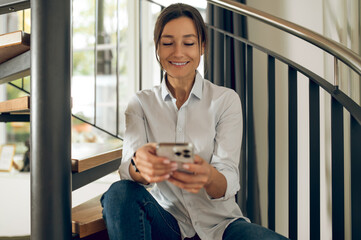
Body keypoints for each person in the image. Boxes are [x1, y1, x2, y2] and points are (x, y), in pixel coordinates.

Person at [101, 3, 288, 240]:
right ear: (157, 48)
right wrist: (140, 166)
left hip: (221, 226)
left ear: (202, 47)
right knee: (119, 193)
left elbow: (228, 177)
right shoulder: (140, 104)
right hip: (167, 222)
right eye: (168, 43)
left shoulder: (225, 100)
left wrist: (208, 176)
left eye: (188, 43)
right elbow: (127, 170)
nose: (178, 52)